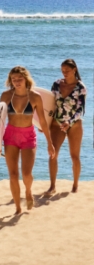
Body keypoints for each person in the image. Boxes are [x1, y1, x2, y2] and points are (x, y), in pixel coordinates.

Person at [0, 66, 55, 214]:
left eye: (19, 79)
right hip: (10, 136)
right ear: (10, 81)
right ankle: (18, 208)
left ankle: (28, 191)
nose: (17, 82)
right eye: (13, 79)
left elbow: (43, 121)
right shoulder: (6, 96)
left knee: (26, 174)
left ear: (26, 79)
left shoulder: (35, 97)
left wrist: (49, 143)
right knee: (13, 175)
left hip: (28, 136)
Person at [46, 59, 87, 195]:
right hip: (57, 123)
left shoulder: (80, 87)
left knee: (74, 156)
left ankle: (75, 186)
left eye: (67, 71)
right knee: (53, 154)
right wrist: (44, 123)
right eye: (62, 71)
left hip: (74, 124)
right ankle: (52, 186)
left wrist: (69, 121)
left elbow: (81, 110)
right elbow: (49, 106)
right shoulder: (56, 84)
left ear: (74, 69)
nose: (64, 73)